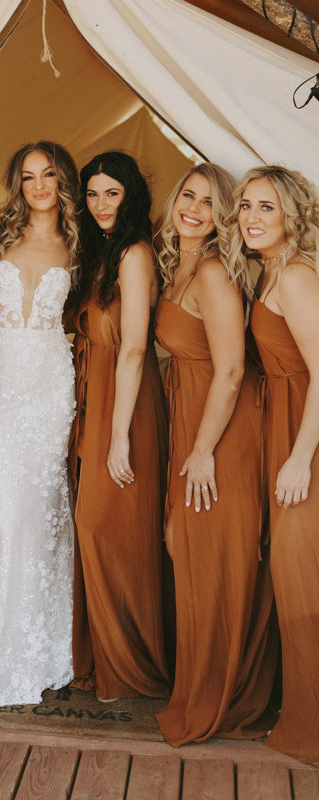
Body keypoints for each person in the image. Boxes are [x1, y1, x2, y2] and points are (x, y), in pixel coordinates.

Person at [154, 163, 277, 745]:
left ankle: (221, 694)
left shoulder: (211, 271)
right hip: (192, 418)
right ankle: (200, 683)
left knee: (214, 554)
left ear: (223, 216)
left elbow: (230, 371)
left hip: (222, 428)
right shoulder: (177, 264)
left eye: (209, 203)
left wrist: (203, 451)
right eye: (188, 195)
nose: (194, 209)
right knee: (189, 548)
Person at [0, 141, 78, 708]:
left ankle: (46, 649)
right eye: (29, 175)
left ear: (63, 182)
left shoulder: (82, 244)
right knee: (2, 514)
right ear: (17, 183)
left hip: (51, 391)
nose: (39, 185)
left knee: (41, 516)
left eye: (49, 174)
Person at [68, 151, 169, 701]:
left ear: (130, 195)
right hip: (96, 394)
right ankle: (108, 657)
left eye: (112, 192)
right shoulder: (100, 251)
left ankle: (129, 666)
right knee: (101, 527)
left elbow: (133, 348)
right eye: (92, 193)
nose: (101, 203)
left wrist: (119, 435)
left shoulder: (134, 253)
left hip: (125, 402)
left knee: (105, 526)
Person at [231, 165, 319, 764]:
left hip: (304, 440)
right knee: (292, 581)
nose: (253, 218)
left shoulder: (296, 276)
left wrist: (301, 458)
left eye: (267, 207)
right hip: (284, 433)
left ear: (291, 214)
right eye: (246, 206)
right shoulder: (267, 270)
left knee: (303, 581)